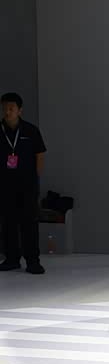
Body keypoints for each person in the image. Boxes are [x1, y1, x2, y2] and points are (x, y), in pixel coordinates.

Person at [0, 92, 46, 274]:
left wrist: (36, 178)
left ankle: (33, 260)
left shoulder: (30, 131)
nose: (7, 112)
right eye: (5, 108)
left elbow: (40, 154)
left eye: (11, 108)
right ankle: (11, 259)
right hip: (5, 185)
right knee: (8, 222)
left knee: (29, 223)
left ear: (20, 110)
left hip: (27, 185)